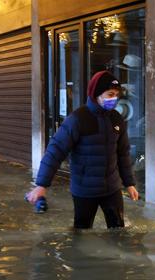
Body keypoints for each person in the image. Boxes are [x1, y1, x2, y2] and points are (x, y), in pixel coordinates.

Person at [27, 71, 139, 229]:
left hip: (112, 189)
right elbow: (55, 151)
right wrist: (41, 185)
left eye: (116, 94)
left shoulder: (116, 118)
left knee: (118, 231)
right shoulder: (78, 119)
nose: (114, 99)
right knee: (82, 233)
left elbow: (123, 153)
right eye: (110, 94)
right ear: (97, 94)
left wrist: (129, 183)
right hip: (84, 190)